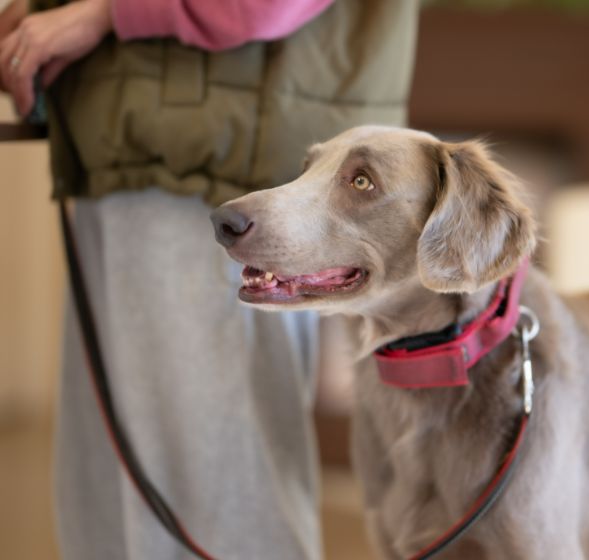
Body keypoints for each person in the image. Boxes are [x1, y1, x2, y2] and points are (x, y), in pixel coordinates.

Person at [0, 0, 419, 558]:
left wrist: (101, 12)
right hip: (131, 150)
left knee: (218, 511)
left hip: (210, 159)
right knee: (115, 504)